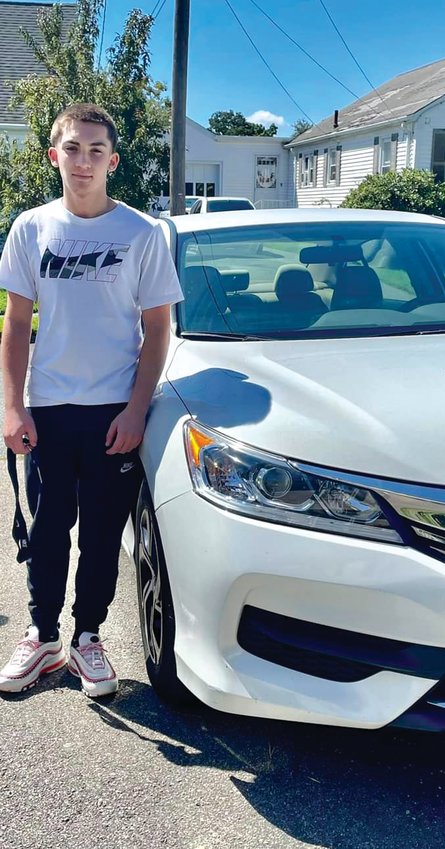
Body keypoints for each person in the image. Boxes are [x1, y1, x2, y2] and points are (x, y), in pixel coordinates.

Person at [0, 103, 183, 698]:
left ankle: (87, 639)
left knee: (104, 534)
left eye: (95, 150)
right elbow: (16, 323)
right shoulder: (31, 228)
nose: (83, 161)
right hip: (48, 409)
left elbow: (158, 330)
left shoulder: (141, 233)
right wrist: (12, 405)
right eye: (72, 149)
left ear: (113, 160)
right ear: (54, 154)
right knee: (49, 530)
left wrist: (136, 409)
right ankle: (43, 636)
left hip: (114, 414)